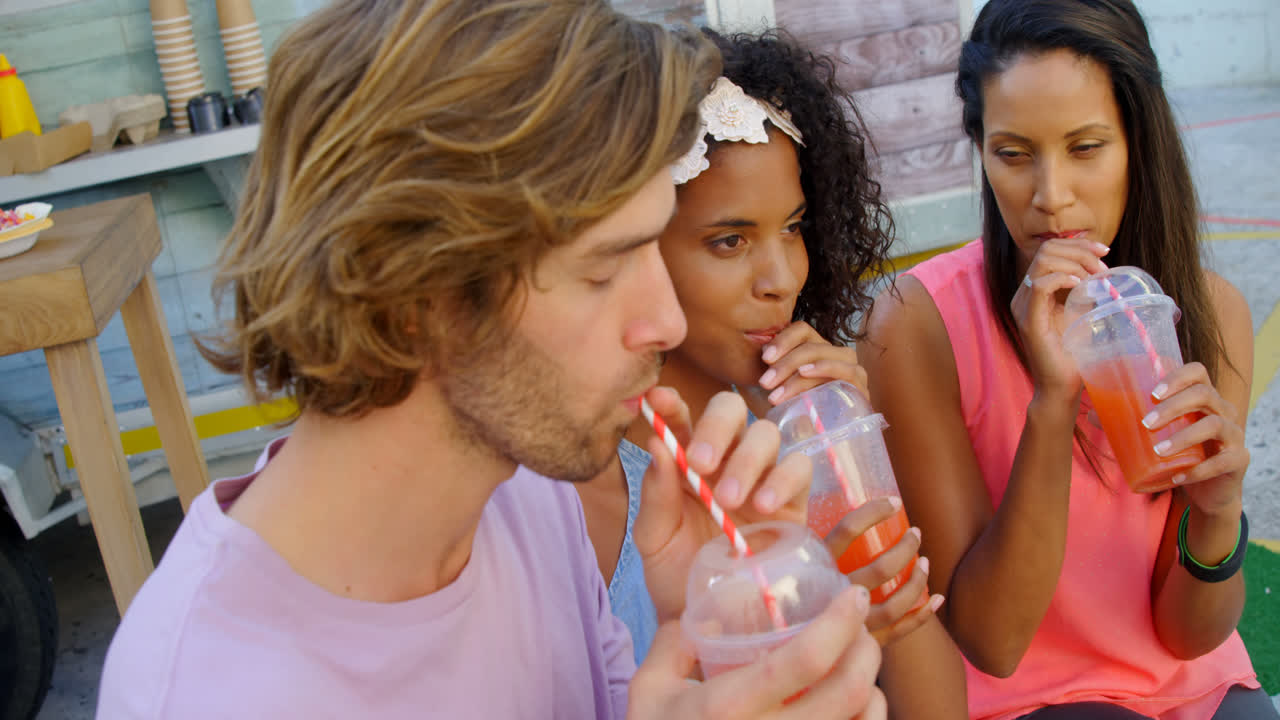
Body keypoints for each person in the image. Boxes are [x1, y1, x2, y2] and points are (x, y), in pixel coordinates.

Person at [94, 1, 888, 718]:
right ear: (413, 293)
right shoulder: (206, 692)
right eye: (604, 268)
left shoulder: (523, 500)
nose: (665, 320)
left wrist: (709, 643)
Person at [861, 1, 1276, 719]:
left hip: (1187, 690)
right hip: (1020, 700)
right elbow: (991, 641)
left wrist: (1215, 515)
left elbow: (1187, 637)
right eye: (1012, 154)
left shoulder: (1210, 314)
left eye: (1086, 148)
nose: (1050, 200)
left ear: (1137, 143)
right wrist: (1051, 406)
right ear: (980, 149)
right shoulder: (914, 322)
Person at [575, 28, 966, 719]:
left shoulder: (800, 439)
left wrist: (848, 469)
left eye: (793, 227)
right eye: (729, 241)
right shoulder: (580, 483)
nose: (782, 281)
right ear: (633, 245)